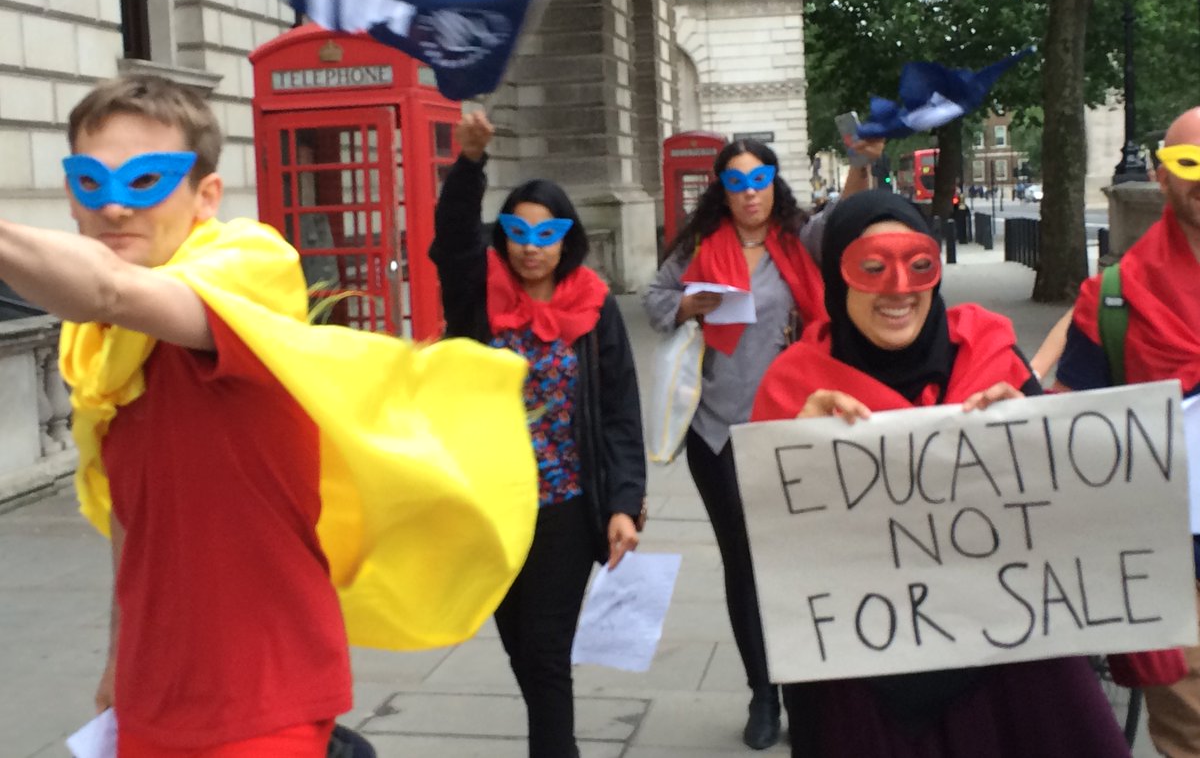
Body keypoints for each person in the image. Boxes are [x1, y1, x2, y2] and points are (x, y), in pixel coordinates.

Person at [0, 75, 535, 756]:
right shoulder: (101, 354)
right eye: (89, 182)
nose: (112, 210)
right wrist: (117, 658)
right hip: (149, 696)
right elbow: (129, 525)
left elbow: (109, 289)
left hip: (265, 698)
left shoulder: (246, 270)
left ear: (206, 197)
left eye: (144, 182)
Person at [751, 189, 1132, 758]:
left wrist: (1033, 433)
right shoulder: (794, 385)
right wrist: (789, 453)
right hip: (865, 688)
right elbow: (760, 549)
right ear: (837, 278)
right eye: (872, 268)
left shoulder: (993, 356)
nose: (898, 289)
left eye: (917, 265)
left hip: (1013, 669)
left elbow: (1072, 518)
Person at [429, 111, 648, 758]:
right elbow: (451, 240)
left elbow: (619, 412)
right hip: (490, 505)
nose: (530, 246)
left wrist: (623, 502)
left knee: (547, 652)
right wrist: (470, 164)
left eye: (544, 233)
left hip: (565, 505)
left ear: (566, 239)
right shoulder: (479, 295)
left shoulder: (595, 304)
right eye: (517, 233)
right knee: (519, 643)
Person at [642, 139, 870, 749]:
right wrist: (689, 303)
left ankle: (805, 689)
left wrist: (861, 160)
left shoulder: (799, 240)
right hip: (716, 432)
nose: (749, 191)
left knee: (794, 563)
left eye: (760, 178)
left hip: (792, 426)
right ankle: (763, 695)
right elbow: (655, 299)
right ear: (722, 187)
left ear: (774, 183)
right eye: (737, 181)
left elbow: (845, 218)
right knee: (744, 566)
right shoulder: (700, 246)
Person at [1056, 106, 1200, 757]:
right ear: (1163, 177)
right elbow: (1071, 426)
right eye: (1190, 164)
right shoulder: (1114, 297)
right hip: (1171, 566)